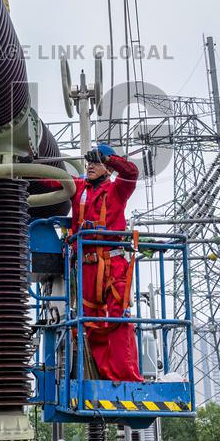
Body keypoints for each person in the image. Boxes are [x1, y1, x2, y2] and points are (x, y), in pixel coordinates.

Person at [42, 142, 142, 383]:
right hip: (86, 267)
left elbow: (131, 172)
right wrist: (28, 162)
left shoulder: (117, 189)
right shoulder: (79, 188)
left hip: (113, 263)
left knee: (118, 318)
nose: (91, 166)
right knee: (91, 321)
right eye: (89, 163)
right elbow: (52, 180)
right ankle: (103, 375)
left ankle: (126, 377)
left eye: (96, 163)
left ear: (107, 168)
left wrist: (108, 158)